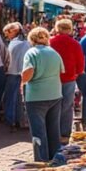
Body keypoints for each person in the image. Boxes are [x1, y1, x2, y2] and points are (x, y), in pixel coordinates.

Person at [21, 27, 65, 162]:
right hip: (55, 94)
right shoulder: (54, 53)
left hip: (36, 96)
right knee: (53, 129)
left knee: (38, 131)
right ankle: (56, 158)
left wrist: (23, 81)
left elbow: (28, 72)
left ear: (32, 39)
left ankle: (41, 161)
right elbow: (61, 71)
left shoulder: (31, 53)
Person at [50, 18, 85, 139]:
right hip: (69, 77)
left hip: (52, 77)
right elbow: (80, 61)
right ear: (70, 29)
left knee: (53, 105)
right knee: (67, 105)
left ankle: (53, 130)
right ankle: (64, 130)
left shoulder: (50, 42)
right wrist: (78, 72)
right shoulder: (74, 43)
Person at [3, 22, 30, 131]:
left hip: (14, 73)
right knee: (20, 98)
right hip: (21, 72)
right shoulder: (24, 42)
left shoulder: (16, 43)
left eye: (7, 33)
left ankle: (11, 121)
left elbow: (10, 59)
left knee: (12, 98)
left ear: (13, 31)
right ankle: (20, 120)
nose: (6, 35)